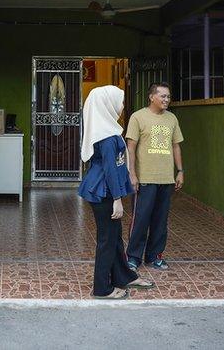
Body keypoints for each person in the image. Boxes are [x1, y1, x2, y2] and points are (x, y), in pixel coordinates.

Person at [78, 85, 155, 299]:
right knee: (107, 239)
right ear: (107, 104)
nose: (122, 106)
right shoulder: (107, 137)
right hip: (105, 193)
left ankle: (124, 276)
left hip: (103, 190)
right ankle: (102, 288)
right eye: (119, 101)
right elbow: (111, 170)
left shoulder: (108, 131)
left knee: (114, 237)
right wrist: (118, 200)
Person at [125, 82, 184, 271]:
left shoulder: (172, 118)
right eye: (163, 96)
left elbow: (176, 146)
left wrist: (180, 171)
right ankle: (133, 257)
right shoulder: (138, 117)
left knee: (160, 221)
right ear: (152, 97)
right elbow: (131, 147)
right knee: (140, 219)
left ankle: (155, 256)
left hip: (166, 179)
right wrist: (132, 174)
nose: (167, 99)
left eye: (168, 96)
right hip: (145, 179)